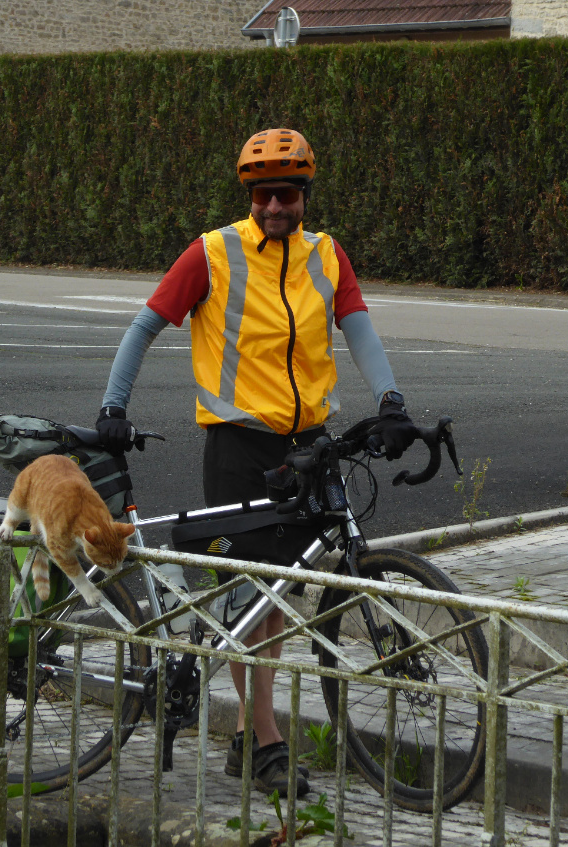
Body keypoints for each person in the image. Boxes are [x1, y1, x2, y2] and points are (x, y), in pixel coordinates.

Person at [95, 128, 416, 797]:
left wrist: (391, 399)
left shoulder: (326, 256)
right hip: (239, 446)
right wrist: (112, 407)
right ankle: (266, 740)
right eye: (266, 193)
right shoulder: (214, 252)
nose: (277, 205)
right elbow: (144, 325)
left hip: (308, 446)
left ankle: (249, 733)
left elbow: (359, 329)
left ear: (305, 197)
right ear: (250, 195)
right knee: (250, 598)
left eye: (289, 194)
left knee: (272, 603)